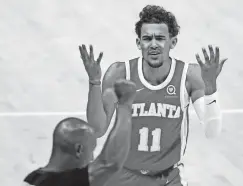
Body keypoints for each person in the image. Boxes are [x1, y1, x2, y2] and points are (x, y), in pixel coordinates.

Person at [84, 5, 228, 186]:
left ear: (172, 42)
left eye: (160, 38)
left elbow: (211, 131)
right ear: (139, 43)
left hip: (169, 178)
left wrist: (211, 88)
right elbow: (97, 130)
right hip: (124, 176)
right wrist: (94, 83)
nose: (153, 44)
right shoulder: (120, 73)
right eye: (147, 38)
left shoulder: (188, 76)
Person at [22, 48, 137, 186]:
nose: (92, 158)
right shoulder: (66, 181)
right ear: (79, 149)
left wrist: (95, 82)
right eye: (91, 151)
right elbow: (110, 164)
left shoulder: (32, 180)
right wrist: (125, 105)